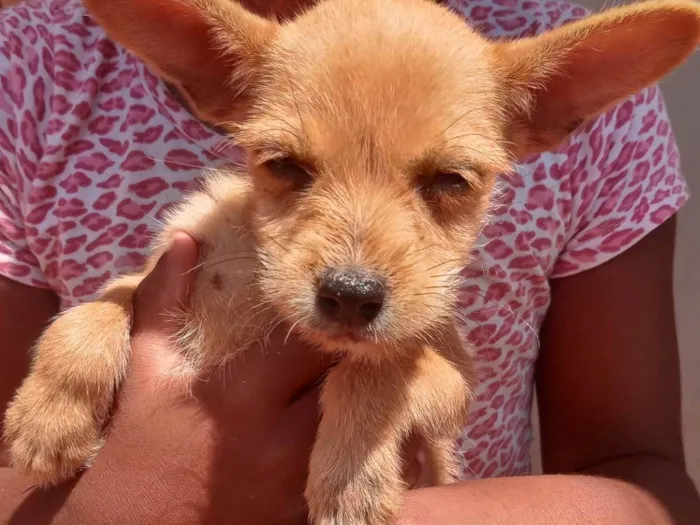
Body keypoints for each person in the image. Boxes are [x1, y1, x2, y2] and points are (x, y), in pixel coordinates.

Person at [0, 0, 698, 523]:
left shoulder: (565, 97)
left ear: (544, 114)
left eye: (446, 182)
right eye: (289, 166)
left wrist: (373, 412)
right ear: (217, 82)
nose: (355, 273)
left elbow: (635, 473)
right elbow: (129, 318)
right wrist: (90, 367)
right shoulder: (40, 65)